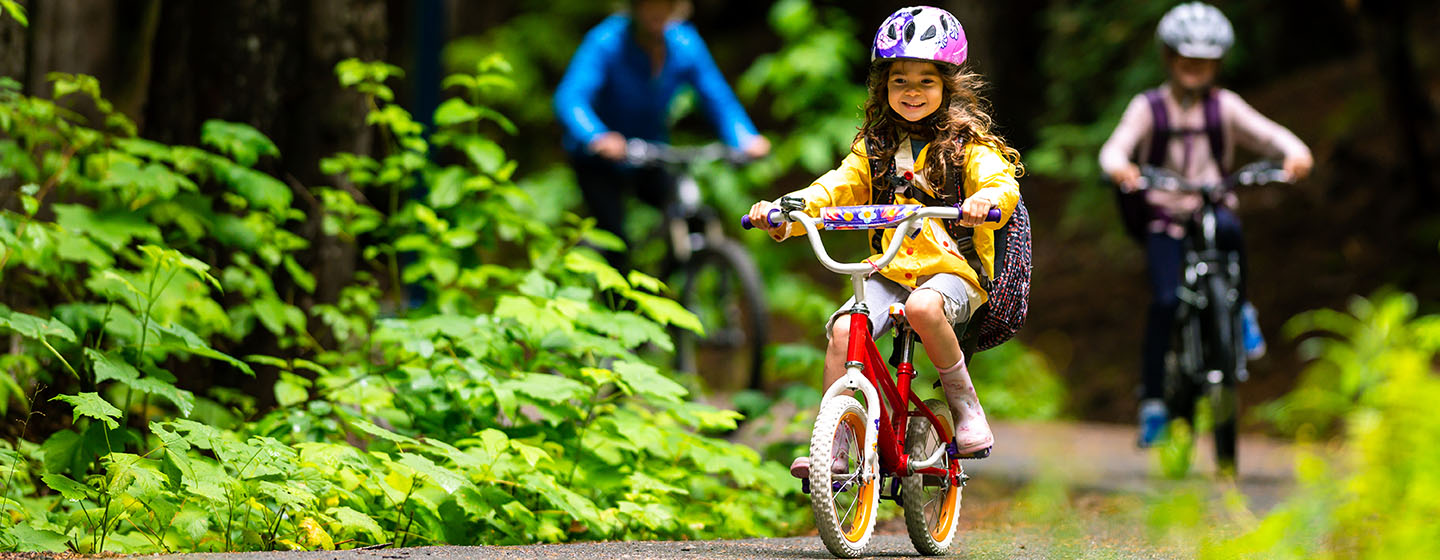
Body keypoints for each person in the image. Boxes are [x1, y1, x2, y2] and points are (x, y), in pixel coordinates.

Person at [747, 6, 1022, 478]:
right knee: (842, 329)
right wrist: (786, 211)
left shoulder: (969, 145)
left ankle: (965, 405)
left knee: (923, 308)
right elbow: (832, 189)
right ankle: (832, 444)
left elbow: (1001, 184)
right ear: (883, 87)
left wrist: (986, 200)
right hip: (892, 268)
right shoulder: (872, 149)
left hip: (952, 271)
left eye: (925, 82)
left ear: (948, 87)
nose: (912, 92)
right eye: (900, 81)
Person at [1098, 2, 1313, 448]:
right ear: (1169, 58)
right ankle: (1154, 401)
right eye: (1186, 59)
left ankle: (1241, 309)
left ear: (1217, 63)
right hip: (1165, 216)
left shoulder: (1225, 106)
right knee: (1164, 300)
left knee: (1231, 233)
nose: (1195, 68)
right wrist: (1122, 169)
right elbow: (1114, 149)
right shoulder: (1148, 107)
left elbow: (1271, 135)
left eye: (1205, 61)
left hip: (1212, 209)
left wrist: (1295, 154)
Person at [554, 0, 770, 270]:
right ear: (634, 7)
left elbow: (718, 98)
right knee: (615, 242)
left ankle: (670, 287)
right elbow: (571, 98)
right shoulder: (606, 41)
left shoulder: (684, 44)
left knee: (692, 219)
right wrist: (596, 136)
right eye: (648, 4)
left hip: (651, 153)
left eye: (664, 3)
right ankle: (620, 304)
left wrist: (744, 138)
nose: (656, 10)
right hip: (599, 159)